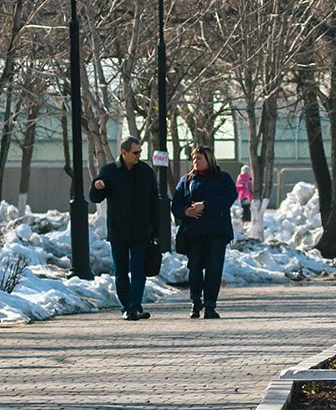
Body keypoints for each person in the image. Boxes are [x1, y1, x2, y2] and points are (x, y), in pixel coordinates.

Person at [93, 136, 159, 321]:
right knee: (121, 271)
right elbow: (95, 197)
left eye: (140, 152)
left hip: (141, 231)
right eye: (135, 152)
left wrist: (156, 230)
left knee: (138, 270)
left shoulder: (146, 171)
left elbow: (154, 201)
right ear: (124, 152)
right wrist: (98, 187)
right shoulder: (109, 171)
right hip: (119, 231)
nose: (139, 156)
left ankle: (135, 307)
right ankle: (125, 308)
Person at [173, 147, 236, 319]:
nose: (195, 162)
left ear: (209, 159)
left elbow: (229, 197)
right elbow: (176, 203)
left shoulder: (222, 178)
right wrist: (186, 211)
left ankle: (210, 305)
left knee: (214, 269)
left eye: (199, 158)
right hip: (194, 232)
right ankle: (195, 301)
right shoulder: (186, 181)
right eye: (193, 158)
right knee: (194, 268)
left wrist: (205, 205)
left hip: (217, 231)